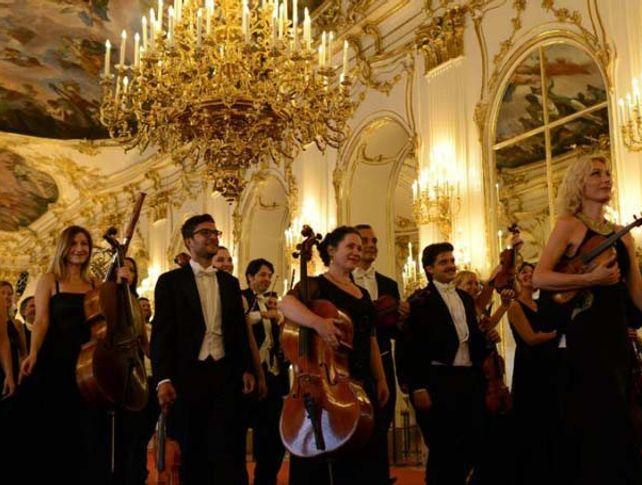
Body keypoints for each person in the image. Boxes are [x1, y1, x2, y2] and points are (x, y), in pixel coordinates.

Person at [533, 155, 642, 484]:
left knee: (626, 425)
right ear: (580, 183)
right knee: (595, 428)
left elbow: (636, 293)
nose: (605, 178)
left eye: (607, 173)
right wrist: (589, 279)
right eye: (596, 173)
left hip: (618, 337)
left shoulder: (624, 235)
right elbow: (540, 278)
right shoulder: (568, 224)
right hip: (586, 341)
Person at [19, 225, 132, 483]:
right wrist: (33, 352)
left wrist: (121, 283)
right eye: (74, 244)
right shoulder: (50, 280)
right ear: (64, 248)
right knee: (55, 424)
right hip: (55, 359)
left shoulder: (93, 281)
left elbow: (105, 319)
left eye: (84, 244)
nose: (80, 249)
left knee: (86, 427)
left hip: (86, 361)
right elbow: (42, 321)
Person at [280, 225, 390, 485]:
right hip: (328, 378)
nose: (356, 252)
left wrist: (381, 378)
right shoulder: (317, 284)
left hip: (362, 378)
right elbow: (286, 304)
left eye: (359, 248)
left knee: (366, 453)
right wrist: (318, 323)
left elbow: (370, 338)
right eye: (350, 246)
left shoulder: (362, 293)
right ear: (331, 250)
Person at [151, 214, 255, 484]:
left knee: (226, 448)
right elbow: (162, 334)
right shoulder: (170, 282)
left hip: (225, 373)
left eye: (215, 232)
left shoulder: (230, 283)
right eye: (204, 232)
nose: (212, 237)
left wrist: (246, 368)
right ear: (188, 241)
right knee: (192, 449)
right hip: (188, 374)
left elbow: (238, 331)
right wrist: (163, 378)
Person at [404, 242, 487, 485]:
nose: (451, 265)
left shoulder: (465, 298)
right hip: (438, 380)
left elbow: (471, 335)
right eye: (443, 262)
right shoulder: (419, 300)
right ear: (429, 269)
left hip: (469, 378)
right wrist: (418, 386)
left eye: (452, 260)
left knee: (471, 442)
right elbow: (411, 347)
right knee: (443, 448)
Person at [353, 223, 408, 483]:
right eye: (366, 240)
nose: (372, 245)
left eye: (375, 241)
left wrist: (402, 319)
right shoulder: (343, 281)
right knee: (356, 424)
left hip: (384, 360)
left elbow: (395, 331)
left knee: (382, 421)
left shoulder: (389, 284)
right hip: (352, 365)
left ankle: (379, 476)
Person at [507, 262, 558, 484]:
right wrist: (557, 333)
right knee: (531, 419)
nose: (528, 275)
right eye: (524, 273)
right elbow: (531, 338)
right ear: (518, 278)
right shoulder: (515, 306)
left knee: (550, 416)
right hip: (530, 367)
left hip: (548, 364)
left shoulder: (543, 303)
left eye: (532, 272)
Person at [241, 258, 288, 485]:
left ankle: (266, 478)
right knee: (257, 430)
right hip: (251, 372)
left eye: (269, 275)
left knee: (274, 435)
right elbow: (239, 322)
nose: (267, 279)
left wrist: (279, 318)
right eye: (262, 274)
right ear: (249, 277)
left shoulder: (272, 301)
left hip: (274, 374)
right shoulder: (243, 298)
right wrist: (263, 315)